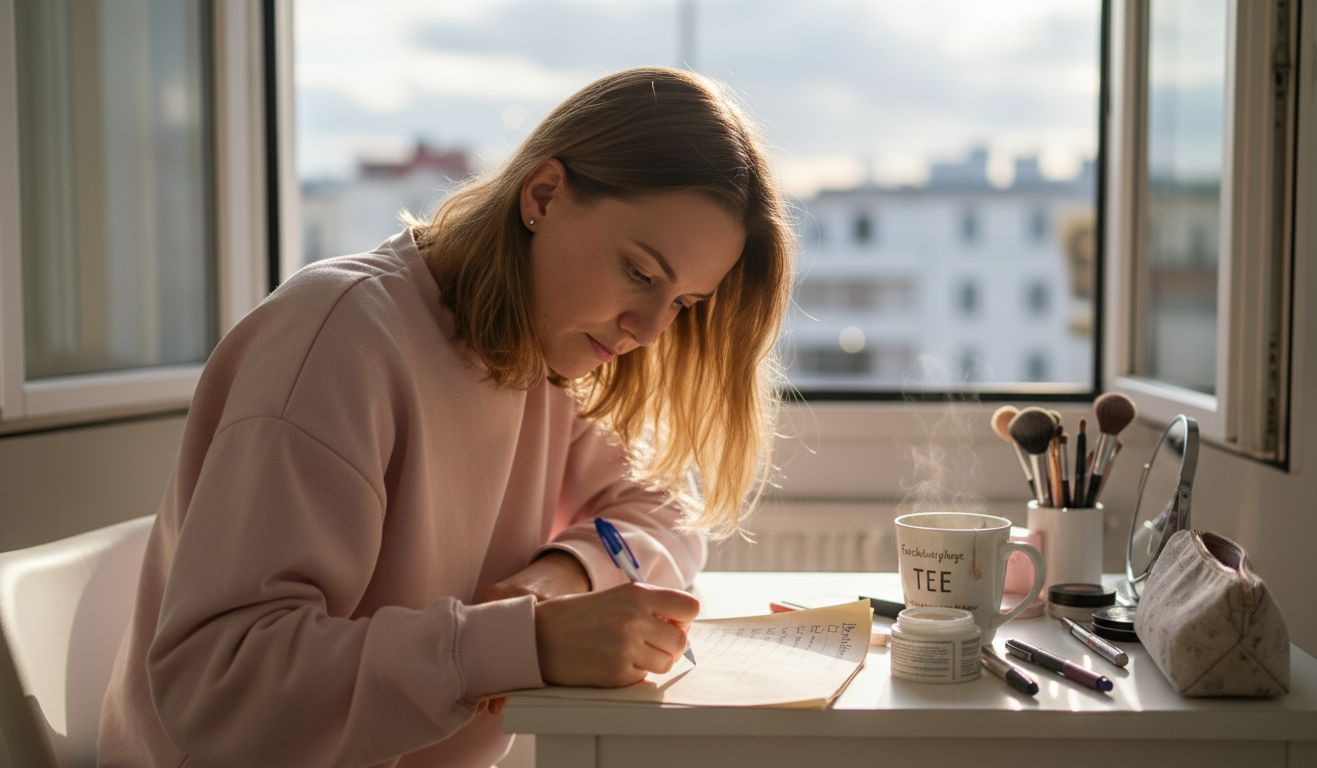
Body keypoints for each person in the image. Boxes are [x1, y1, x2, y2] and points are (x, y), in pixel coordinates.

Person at [97, 66, 795, 767]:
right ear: (544, 195)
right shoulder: (340, 341)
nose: (648, 330)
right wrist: (522, 644)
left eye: (683, 304)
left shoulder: (549, 344)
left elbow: (665, 508)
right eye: (641, 273)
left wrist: (559, 577)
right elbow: (222, 688)